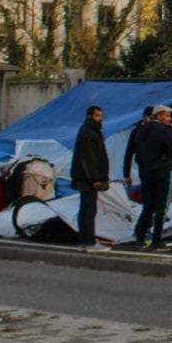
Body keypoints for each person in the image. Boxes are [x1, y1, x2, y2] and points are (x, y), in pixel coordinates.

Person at [129, 104, 172, 250]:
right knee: (161, 206)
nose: (169, 119)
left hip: (146, 172)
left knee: (148, 206)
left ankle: (139, 236)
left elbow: (135, 154)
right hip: (163, 171)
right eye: (166, 116)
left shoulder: (140, 131)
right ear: (158, 116)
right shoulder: (163, 130)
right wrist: (167, 156)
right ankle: (156, 240)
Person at [71, 105, 111, 252]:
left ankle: (85, 240)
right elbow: (89, 159)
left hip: (86, 178)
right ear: (89, 116)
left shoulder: (92, 132)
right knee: (89, 210)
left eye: (101, 116)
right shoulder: (88, 133)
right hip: (88, 180)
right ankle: (88, 241)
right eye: (97, 116)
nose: (100, 119)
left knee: (86, 209)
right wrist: (95, 179)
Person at [121, 105, 154, 186]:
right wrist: (127, 175)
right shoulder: (136, 132)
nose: (153, 121)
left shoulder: (156, 130)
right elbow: (129, 153)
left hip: (158, 167)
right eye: (151, 118)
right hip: (144, 168)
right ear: (145, 117)